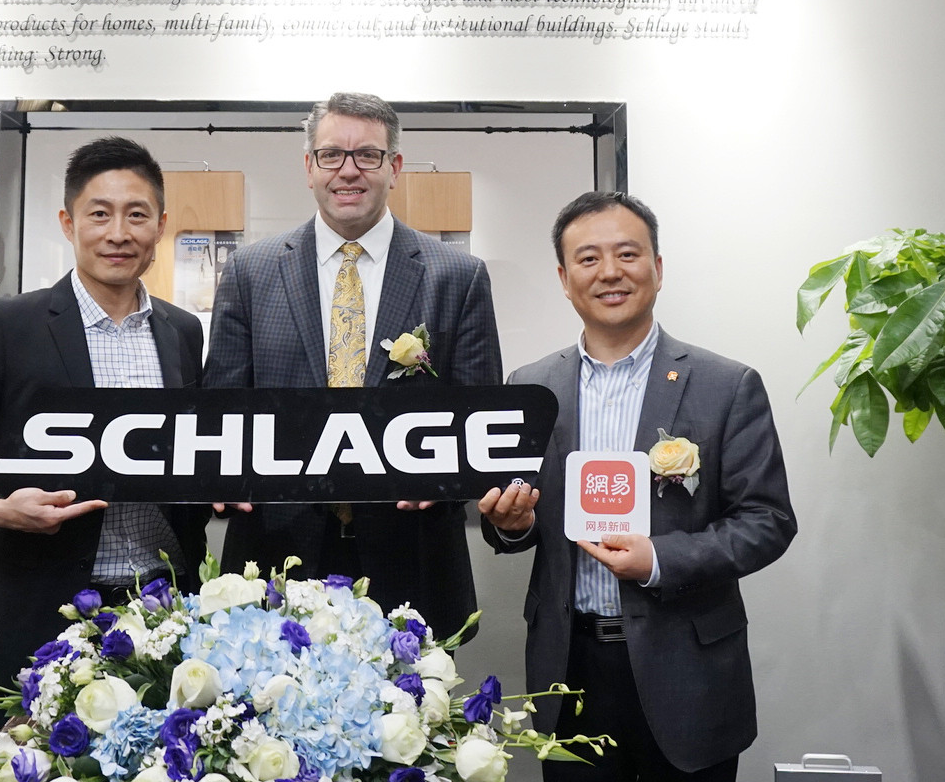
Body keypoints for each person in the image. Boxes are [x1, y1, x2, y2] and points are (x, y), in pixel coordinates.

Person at [0, 136, 209, 723]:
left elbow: (190, 452)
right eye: (99, 214)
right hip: (45, 616)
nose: (118, 233)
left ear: (161, 225)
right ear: (68, 223)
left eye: (137, 215)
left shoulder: (182, 331)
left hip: (166, 615)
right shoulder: (11, 325)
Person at [479, 191, 795, 781]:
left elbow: (768, 521)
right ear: (565, 279)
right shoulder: (531, 386)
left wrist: (660, 560)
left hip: (687, 668)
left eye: (627, 254)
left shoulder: (726, 385)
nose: (610, 272)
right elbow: (516, 520)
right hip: (568, 667)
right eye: (588, 258)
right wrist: (513, 526)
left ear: (657, 267)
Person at [203, 91, 501, 638]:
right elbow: (222, 408)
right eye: (331, 155)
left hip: (412, 558)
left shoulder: (457, 277)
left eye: (367, 155)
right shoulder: (250, 272)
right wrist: (221, 474)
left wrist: (451, 480)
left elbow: (478, 418)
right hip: (277, 561)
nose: (348, 170)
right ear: (309, 167)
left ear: (395, 167)